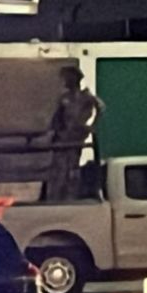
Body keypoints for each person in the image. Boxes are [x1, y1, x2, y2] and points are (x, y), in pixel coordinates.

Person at [47, 66, 106, 201]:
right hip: (63, 137)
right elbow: (57, 117)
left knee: (72, 166)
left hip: (76, 137)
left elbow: (100, 107)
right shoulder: (64, 98)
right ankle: (56, 195)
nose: (65, 81)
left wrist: (90, 126)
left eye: (68, 78)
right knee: (59, 166)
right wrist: (54, 131)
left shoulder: (86, 97)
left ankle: (70, 195)